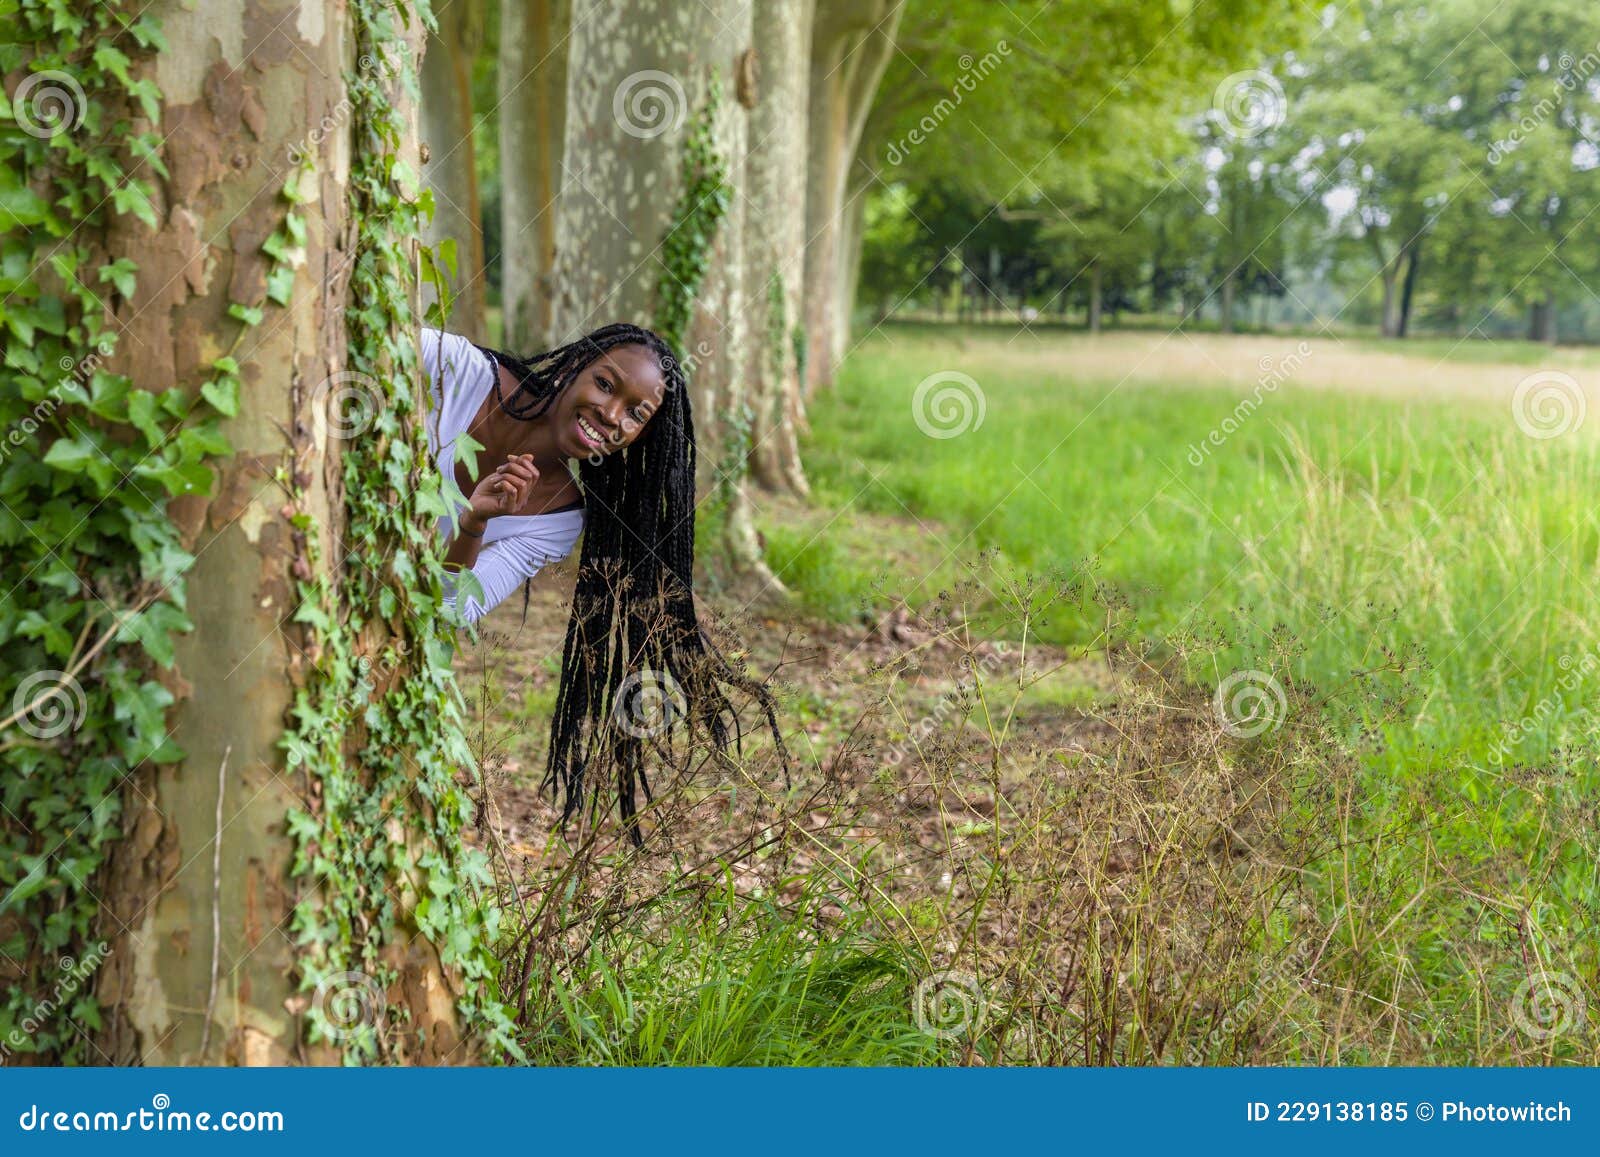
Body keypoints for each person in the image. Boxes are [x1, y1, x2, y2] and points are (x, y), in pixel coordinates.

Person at [419, 323, 788, 838]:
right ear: (573, 368)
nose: (611, 416)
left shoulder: (557, 518)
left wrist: (473, 524)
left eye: (636, 413)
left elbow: (448, 609)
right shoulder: (457, 368)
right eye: (606, 385)